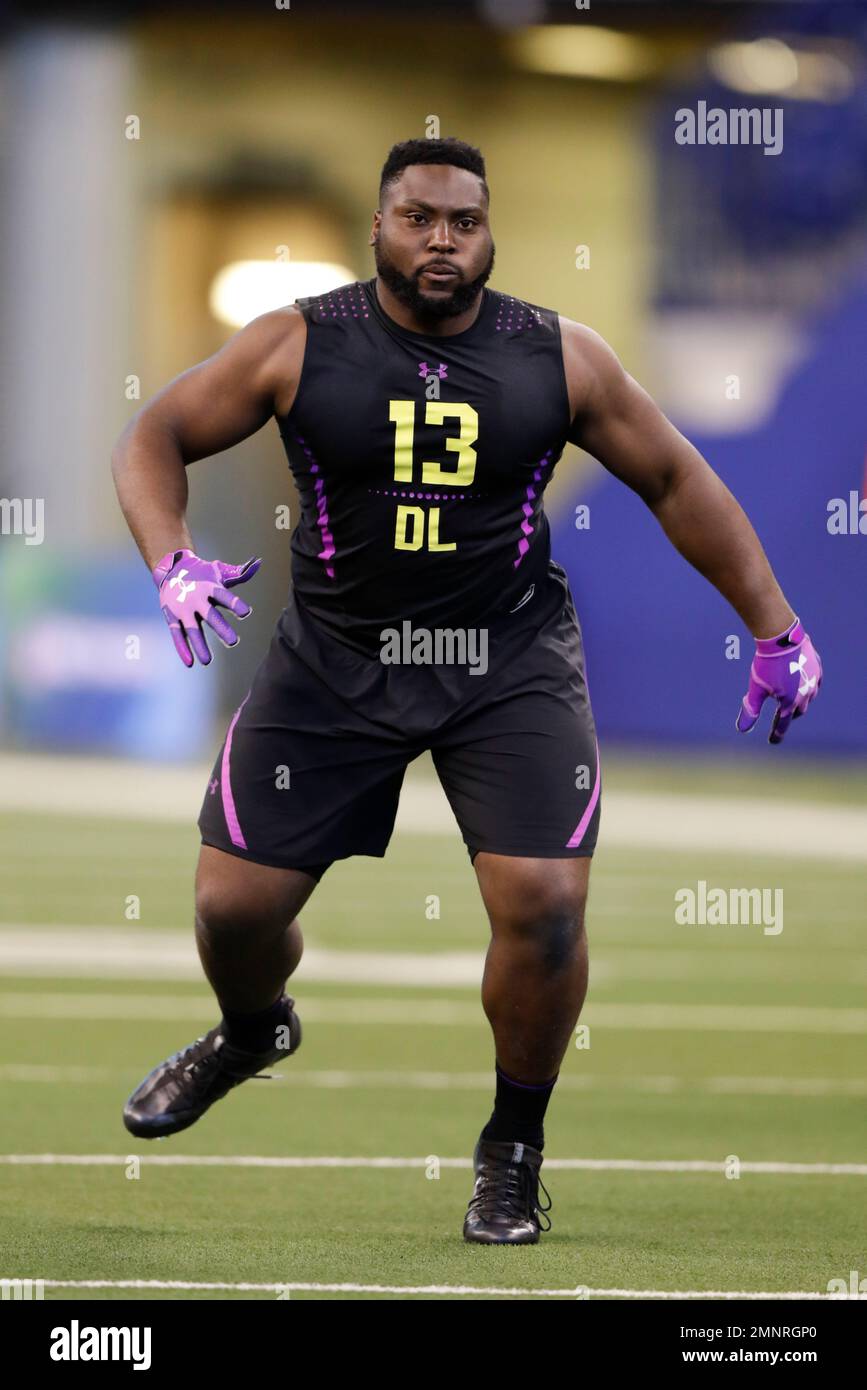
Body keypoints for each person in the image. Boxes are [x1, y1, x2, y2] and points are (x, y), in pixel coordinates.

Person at [111, 137, 822, 1245]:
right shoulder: (300, 340)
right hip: (337, 659)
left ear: (490, 231)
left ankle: (512, 1149)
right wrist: (170, 560)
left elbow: (677, 476)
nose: (441, 239)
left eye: (464, 221)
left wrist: (774, 627)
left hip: (506, 661)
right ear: (380, 227)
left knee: (545, 905)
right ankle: (253, 1030)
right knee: (230, 912)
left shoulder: (559, 355)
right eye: (417, 217)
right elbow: (154, 432)